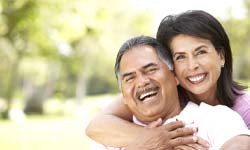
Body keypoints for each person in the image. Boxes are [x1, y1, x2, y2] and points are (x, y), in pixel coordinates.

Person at [86, 10, 250, 148]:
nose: (192, 65)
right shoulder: (109, 139)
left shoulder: (224, 116)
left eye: (201, 52)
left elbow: (238, 142)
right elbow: (96, 125)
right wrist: (150, 140)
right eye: (180, 57)